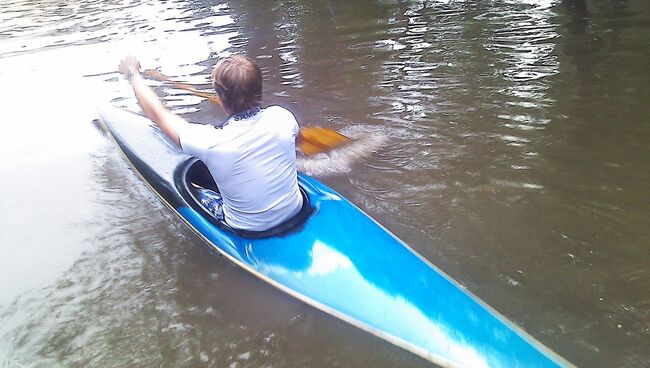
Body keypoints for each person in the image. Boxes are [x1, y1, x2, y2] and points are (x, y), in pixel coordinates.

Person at [118, 55, 303, 232]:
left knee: (194, 191)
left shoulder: (210, 142)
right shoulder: (283, 117)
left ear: (220, 99)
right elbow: (298, 142)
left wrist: (133, 74)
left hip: (248, 228)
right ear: (259, 90)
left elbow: (160, 115)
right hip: (296, 209)